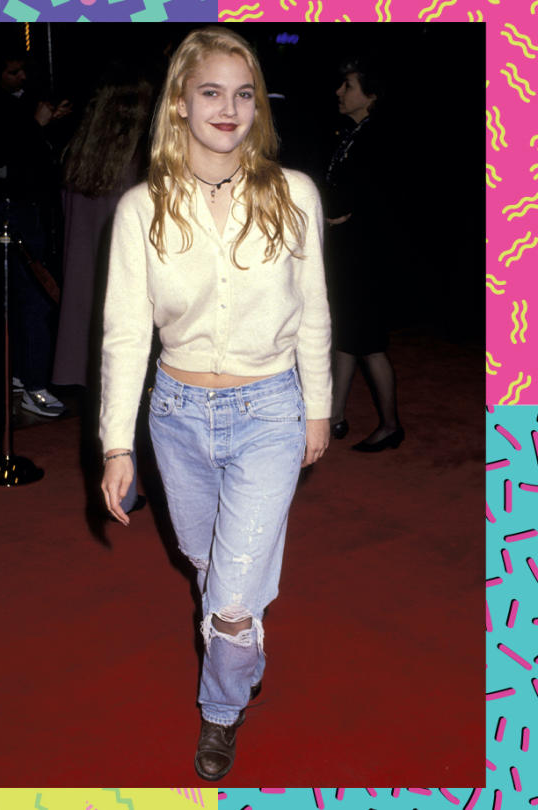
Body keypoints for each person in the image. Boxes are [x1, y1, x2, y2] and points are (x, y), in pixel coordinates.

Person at [99, 27, 332, 780]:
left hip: (270, 410)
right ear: (179, 103)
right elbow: (126, 333)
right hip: (176, 417)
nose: (228, 108)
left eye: (243, 93)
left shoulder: (294, 193)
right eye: (210, 92)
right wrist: (115, 444)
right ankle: (243, 640)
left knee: (229, 601)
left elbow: (316, 311)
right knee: (206, 565)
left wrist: (319, 407)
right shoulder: (141, 208)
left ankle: (221, 711)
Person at [53, 64, 153, 515]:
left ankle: (117, 486)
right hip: (127, 298)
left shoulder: (78, 161)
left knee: (105, 395)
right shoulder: (139, 173)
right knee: (134, 395)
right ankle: (129, 489)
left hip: (84, 296)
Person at [0, 49, 72, 417]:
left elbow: (36, 158)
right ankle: (33, 384)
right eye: (12, 71)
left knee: (26, 299)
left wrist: (48, 124)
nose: (21, 78)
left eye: (23, 71)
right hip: (10, 210)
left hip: (33, 208)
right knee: (31, 298)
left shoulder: (27, 100)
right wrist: (36, 126)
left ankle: (23, 375)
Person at [323, 57, 404, 451]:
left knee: (369, 343)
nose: (340, 91)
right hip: (350, 253)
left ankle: (391, 426)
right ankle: (335, 416)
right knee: (346, 336)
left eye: (349, 86)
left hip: (367, 258)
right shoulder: (354, 132)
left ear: (370, 95)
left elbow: (383, 199)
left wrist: (345, 216)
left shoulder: (379, 136)